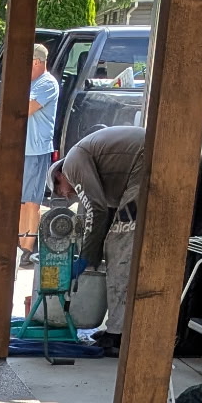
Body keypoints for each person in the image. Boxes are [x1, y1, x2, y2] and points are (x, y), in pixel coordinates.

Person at [55, 124, 145, 351]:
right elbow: (102, 217)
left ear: (59, 174)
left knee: (119, 249)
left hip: (145, 160)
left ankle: (118, 335)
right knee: (124, 248)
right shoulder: (93, 168)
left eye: (60, 189)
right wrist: (92, 255)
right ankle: (123, 328)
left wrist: (86, 259)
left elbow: (97, 212)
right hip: (146, 159)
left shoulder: (73, 163)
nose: (66, 195)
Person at [19, 44, 59, 259]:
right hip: (21, 148)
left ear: (36, 62)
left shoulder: (47, 83)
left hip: (36, 149)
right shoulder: (30, 82)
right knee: (21, 200)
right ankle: (18, 243)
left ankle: (28, 247)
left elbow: (26, 108)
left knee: (32, 200)